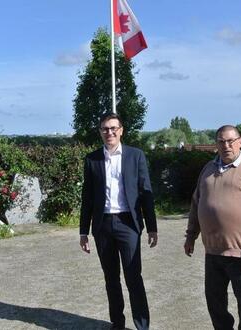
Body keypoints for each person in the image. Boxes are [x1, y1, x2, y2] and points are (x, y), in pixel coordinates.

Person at [184, 125, 241, 330]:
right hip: (213, 251)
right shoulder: (207, 169)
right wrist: (191, 236)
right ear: (216, 144)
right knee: (215, 302)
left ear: (240, 142)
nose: (226, 145)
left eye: (231, 141)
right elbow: (196, 204)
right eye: (221, 141)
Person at [79, 113, 158, 330]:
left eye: (113, 128)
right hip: (103, 225)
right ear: (100, 132)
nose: (109, 132)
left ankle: (142, 325)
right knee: (111, 279)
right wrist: (83, 231)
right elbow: (87, 197)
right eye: (105, 129)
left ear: (121, 130)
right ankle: (118, 323)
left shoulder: (136, 156)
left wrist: (152, 227)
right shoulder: (92, 159)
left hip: (128, 224)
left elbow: (146, 193)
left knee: (134, 277)